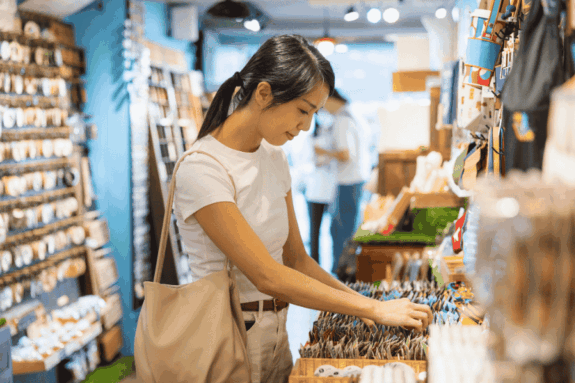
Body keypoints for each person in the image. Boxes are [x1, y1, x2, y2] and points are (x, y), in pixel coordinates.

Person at [173, 35, 432, 383]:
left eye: (314, 113)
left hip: (276, 334)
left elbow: (297, 260)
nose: (307, 125)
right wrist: (372, 307)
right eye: (303, 110)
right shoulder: (202, 168)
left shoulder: (273, 157)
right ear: (264, 93)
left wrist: (362, 304)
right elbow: (268, 275)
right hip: (224, 336)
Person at [314, 90, 371, 274]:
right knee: (345, 228)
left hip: (348, 182)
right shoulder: (353, 114)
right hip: (356, 179)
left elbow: (345, 154)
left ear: (330, 99)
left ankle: (341, 272)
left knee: (341, 231)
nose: (323, 110)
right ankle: (343, 271)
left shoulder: (342, 119)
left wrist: (323, 152)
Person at [305, 118, 337, 264]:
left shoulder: (332, 136)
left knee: (333, 229)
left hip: (331, 190)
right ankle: (314, 264)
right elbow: (313, 161)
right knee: (314, 232)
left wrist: (326, 154)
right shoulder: (310, 138)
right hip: (315, 192)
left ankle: (335, 263)